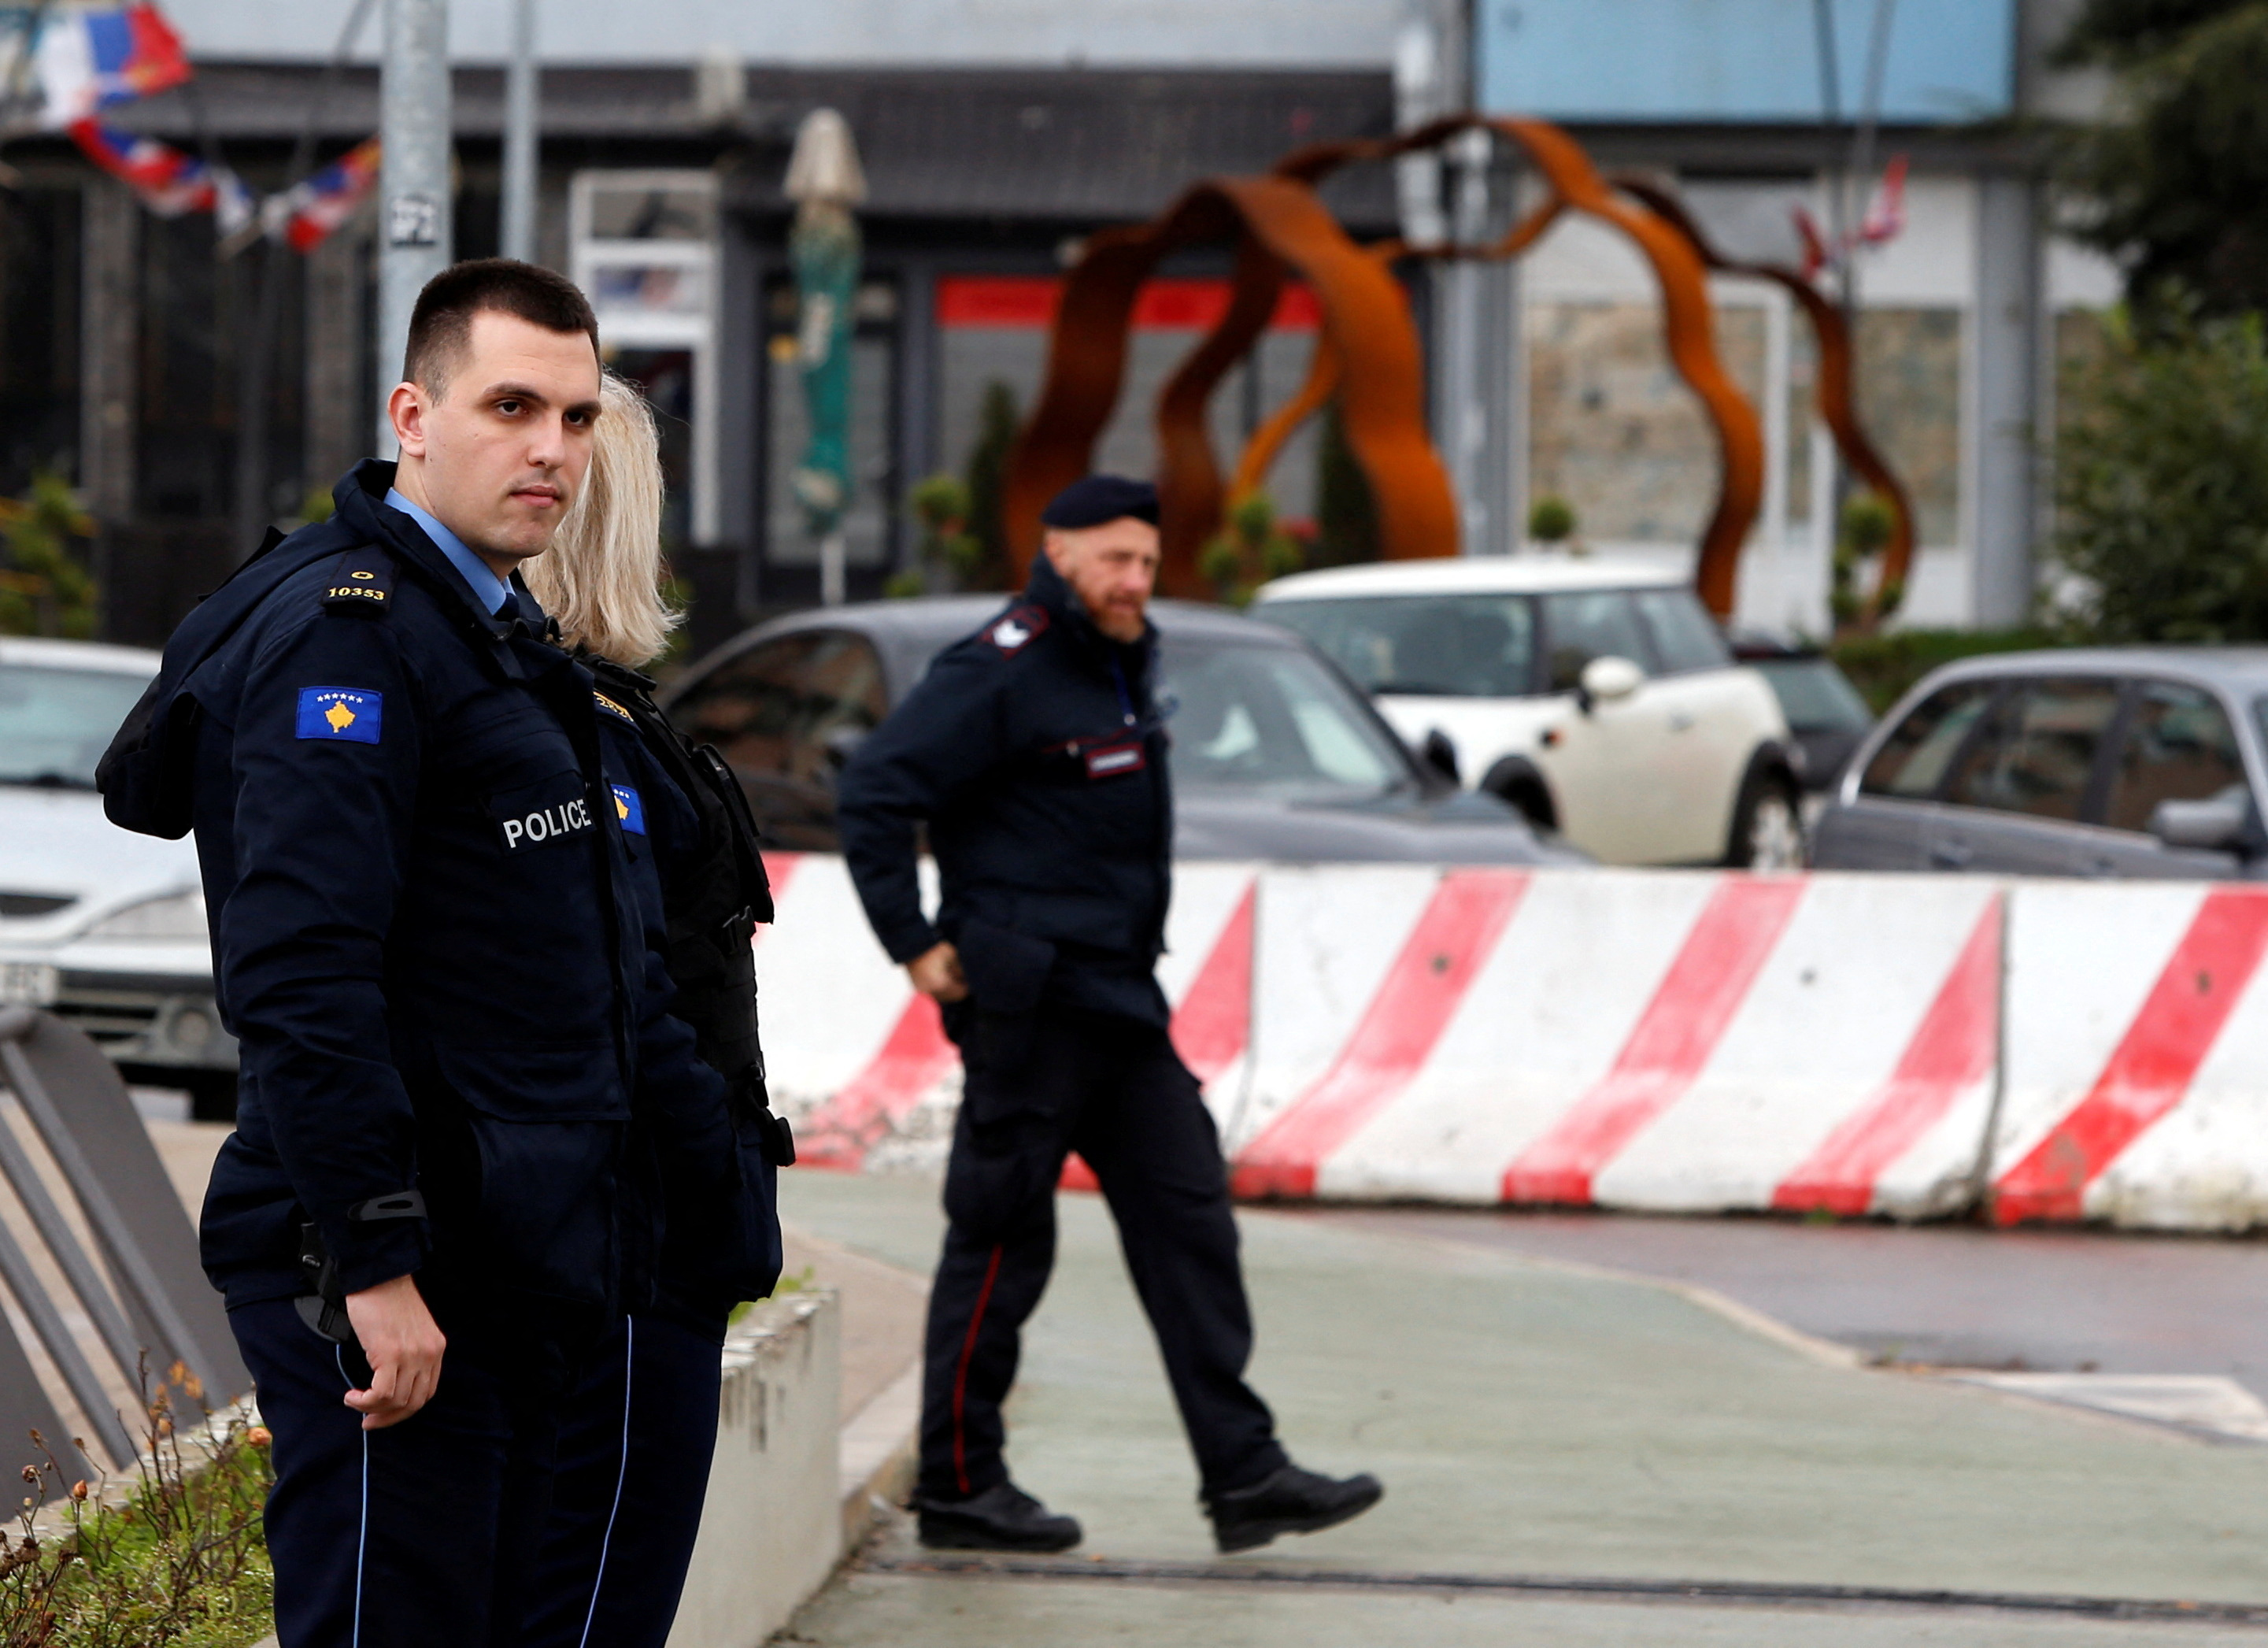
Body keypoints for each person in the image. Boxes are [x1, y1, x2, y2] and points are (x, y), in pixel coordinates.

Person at [98, 259, 739, 1646]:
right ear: (414, 413)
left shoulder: (500, 641)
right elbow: (301, 979)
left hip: (516, 1266)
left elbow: (587, 982)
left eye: (575, 417)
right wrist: (373, 1266)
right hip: (391, 1280)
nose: (550, 450)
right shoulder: (353, 635)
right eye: (511, 406)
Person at [835, 474, 1383, 1555]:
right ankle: (959, 1483)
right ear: (1060, 552)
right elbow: (875, 791)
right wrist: (913, 940)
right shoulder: (1001, 666)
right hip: (1029, 1003)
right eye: (1115, 560)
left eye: (1146, 560)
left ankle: (1244, 1473)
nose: (1137, 580)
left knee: (1190, 1222)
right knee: (1001, 1241)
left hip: (1120, 999)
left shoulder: (1117, 657)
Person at [518, 372, 789, 1648]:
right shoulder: (579, 728)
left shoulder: (593, 713)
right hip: (635, 1244)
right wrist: (727, 1190)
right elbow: (628, 995)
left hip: (629, 1235)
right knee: (597, 1604)